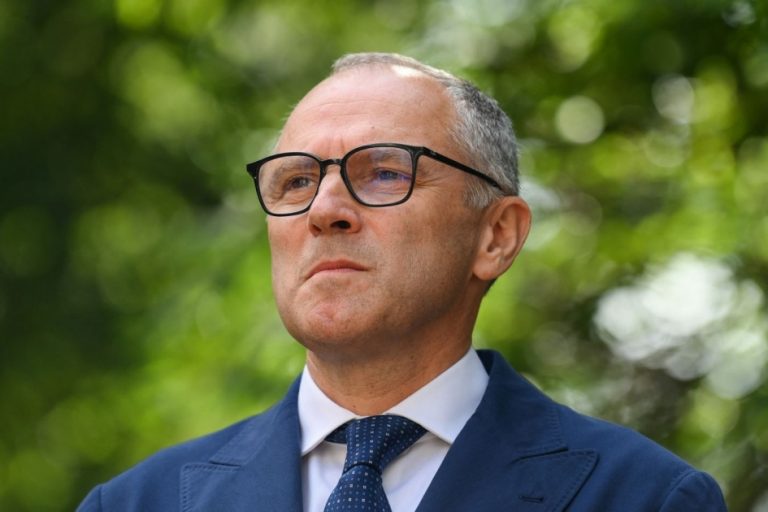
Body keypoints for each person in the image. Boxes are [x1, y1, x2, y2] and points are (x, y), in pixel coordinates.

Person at [78, 52, 727, 511]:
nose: (325, 210)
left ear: (496, 236)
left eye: (385, 172)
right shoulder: (134, 504)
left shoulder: (645, 498)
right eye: (297, 180)